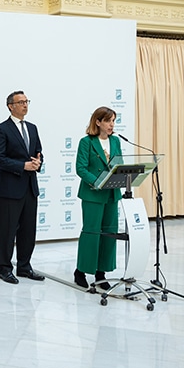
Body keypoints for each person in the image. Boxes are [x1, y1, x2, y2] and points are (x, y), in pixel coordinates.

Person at [0, 90, 44, 284]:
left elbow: (38, 152)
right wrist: (22, 166)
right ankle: (4, 268)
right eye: (20, 102)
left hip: (30, 187)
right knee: (7, 230)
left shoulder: (32, 128)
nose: (25, 105)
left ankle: (24, 266)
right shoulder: (1, 129)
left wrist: (38, 162)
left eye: (27, 101)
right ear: (10, 106)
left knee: (28, 230)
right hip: (10, 189)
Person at [73, 106, 122, 290]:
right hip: (93, 194)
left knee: (109, 233)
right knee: (91, 232)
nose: (111, 125)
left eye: (113, 121)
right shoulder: (86, 142)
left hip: (111, 194)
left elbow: (119, 163)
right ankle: (81, 271)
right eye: (108, 121)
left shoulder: (116, 141)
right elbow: (81, 168)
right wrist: (98, 182)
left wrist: (119, 177)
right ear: (98, 122)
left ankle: (101, 273)